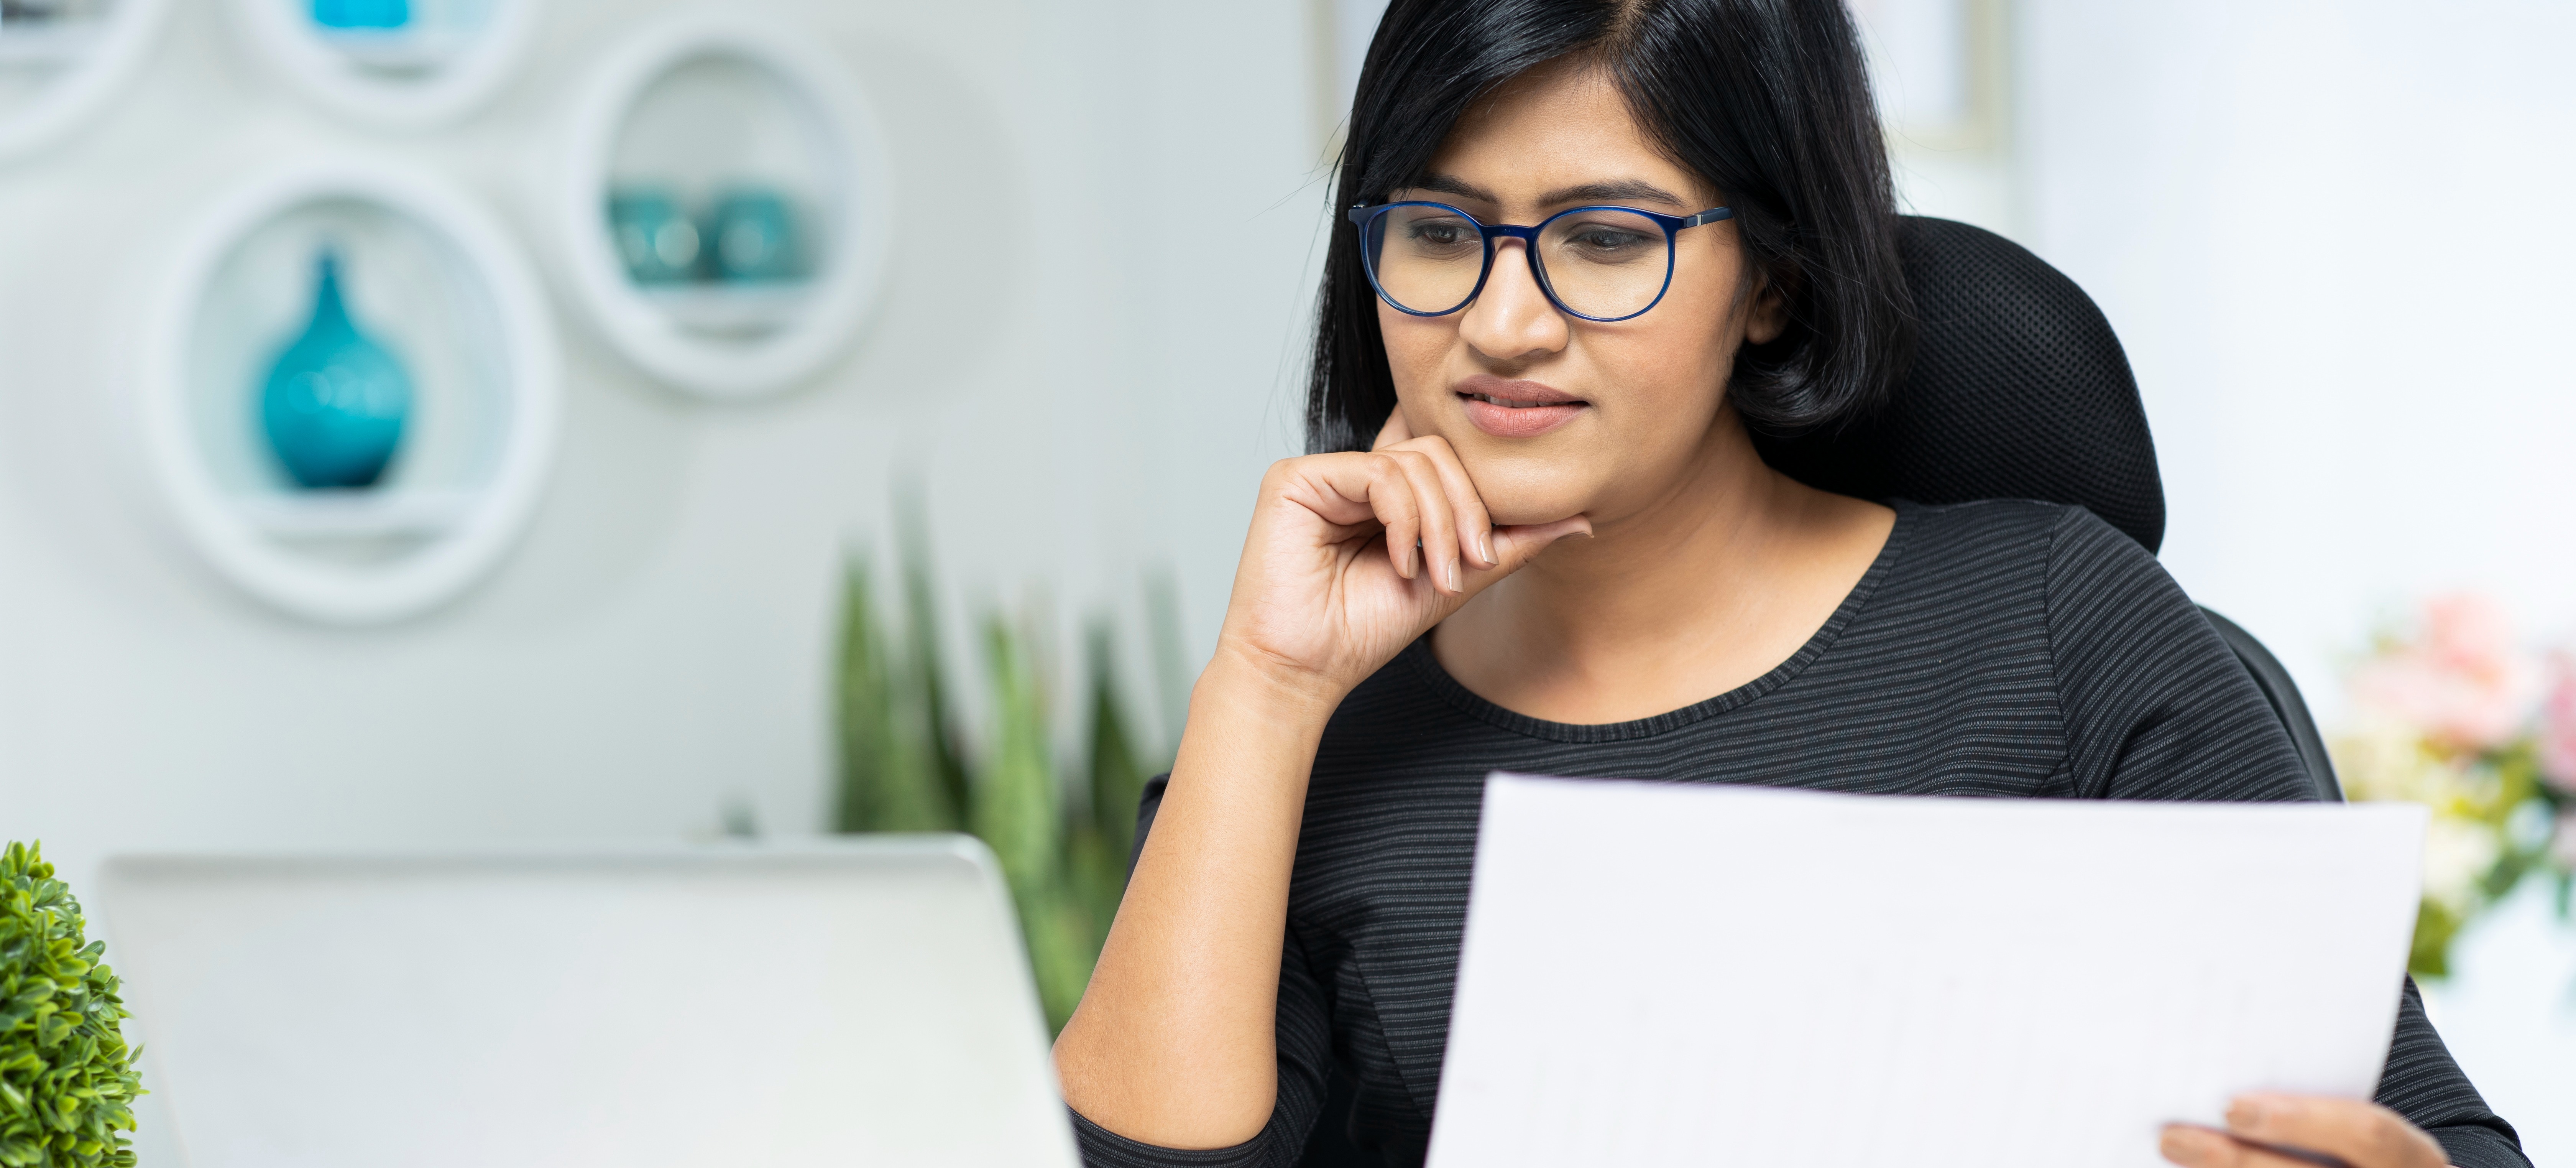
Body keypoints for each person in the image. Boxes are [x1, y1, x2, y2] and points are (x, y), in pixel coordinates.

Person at [1050, 2, 2528, 1166]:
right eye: (1439, 233)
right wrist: (1271, 688)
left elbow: (2434, 1138)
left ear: (1774, 278)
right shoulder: (1322, 734)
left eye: (1607, 239)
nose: (1501, 324)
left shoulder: (2062, 628)